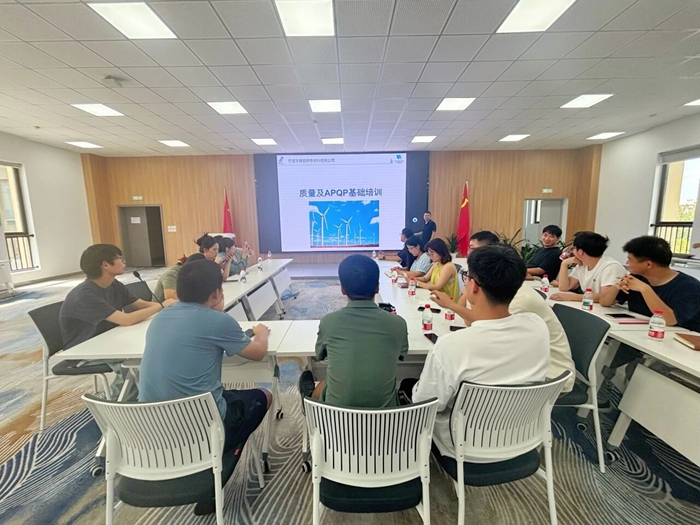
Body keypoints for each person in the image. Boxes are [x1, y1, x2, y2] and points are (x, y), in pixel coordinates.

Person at [139, 259, 271, 515]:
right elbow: (257, 353)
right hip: (203, 427)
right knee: (264, 395)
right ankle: (215, 473)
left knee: (225, 396)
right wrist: (261, 332)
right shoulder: (217, 320)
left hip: (153, 429)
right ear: (216, 293)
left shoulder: (160, 318)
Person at [411, 244, 550, 460]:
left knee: (411, 388)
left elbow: (425, 404)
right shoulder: (537, 326)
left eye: (466, 277)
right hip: (522, 437)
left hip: (464, 447)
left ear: (473, 286)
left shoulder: (451, 346)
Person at [431, 234, 575, 393]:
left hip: (545, 378)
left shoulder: (515, 300)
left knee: (454, 375)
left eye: (474, 250)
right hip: (523, 368)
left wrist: (457, 299)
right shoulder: (497, 289)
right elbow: (472, 320)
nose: (470, 253)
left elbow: (475, 323)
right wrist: (470, 285)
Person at [59, 244, 175, 398]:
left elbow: (141, 304)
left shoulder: (113, 284)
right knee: (138, 363)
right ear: (105, 264)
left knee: (152, 352)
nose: (124, 262)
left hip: (110, 340)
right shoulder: (84, 295)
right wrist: (162, 306)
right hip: (84, 351)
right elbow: (126, 320)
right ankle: (117, 406)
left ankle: (134, 399)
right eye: (120, 258)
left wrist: (171, 307)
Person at [299, 254, 408, 408]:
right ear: (377, 287)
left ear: (342, 289)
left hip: (335, 418)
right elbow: (402, 355)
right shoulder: (398, 324)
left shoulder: (329, 322)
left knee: (330, 380)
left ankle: (308, 399)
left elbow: (320, 355)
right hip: (385, 420)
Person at [600, 236, 700, 331]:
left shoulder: (689, 287)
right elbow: (605, 302)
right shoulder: (637, 278)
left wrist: (645, 289)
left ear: (648, 264)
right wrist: (616, 286)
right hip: (638, 333)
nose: (627, 263)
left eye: (630, 259)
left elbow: (670, 320)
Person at [550, 231, 626, 303]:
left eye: (573, 248)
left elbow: (604, 296)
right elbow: (564, 287)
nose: (572, 251)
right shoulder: (582, 264)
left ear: (580, 252)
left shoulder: (611, 267)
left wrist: (571, 297)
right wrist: (564, 264)